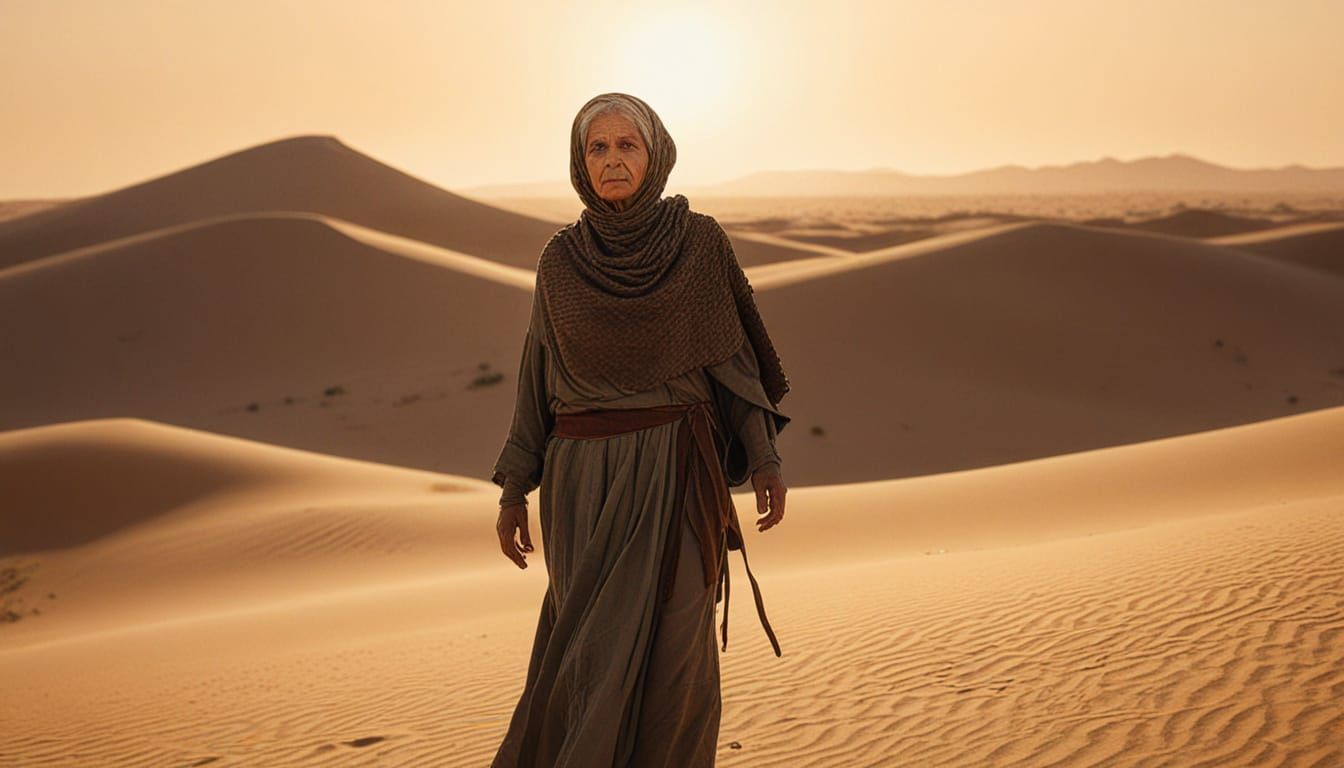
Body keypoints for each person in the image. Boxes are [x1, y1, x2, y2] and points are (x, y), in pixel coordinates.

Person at [489, 92, 792, 768]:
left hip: (675, 475)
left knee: (678, 653)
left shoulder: (700, 243)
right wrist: (514, 487)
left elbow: (734, 365)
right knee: (588, 656)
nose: (613, 160)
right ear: (579, 161)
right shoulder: (558, 261)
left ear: (655, 155)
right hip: (580, 488)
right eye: (598, 147)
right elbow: (535, 378)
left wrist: (765, 458)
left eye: (628, 145)